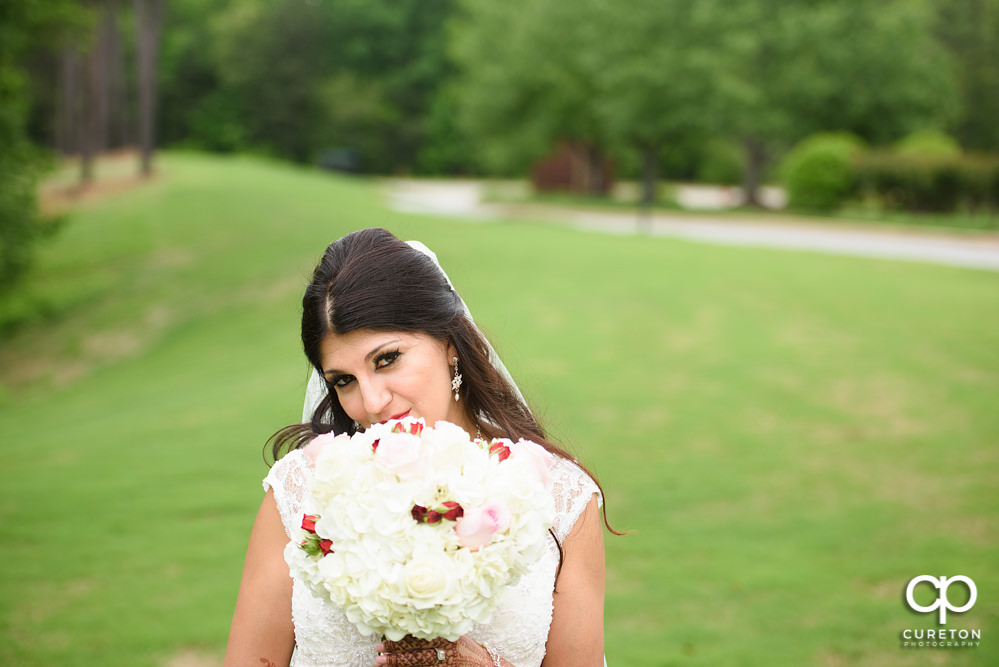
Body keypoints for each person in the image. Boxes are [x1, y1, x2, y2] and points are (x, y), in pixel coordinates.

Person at [224, 228, 609, 667]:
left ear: (449, 344)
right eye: (343, 381)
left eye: (386, 359)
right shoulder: (304, 491)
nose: (371, 403)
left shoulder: (558, 497)